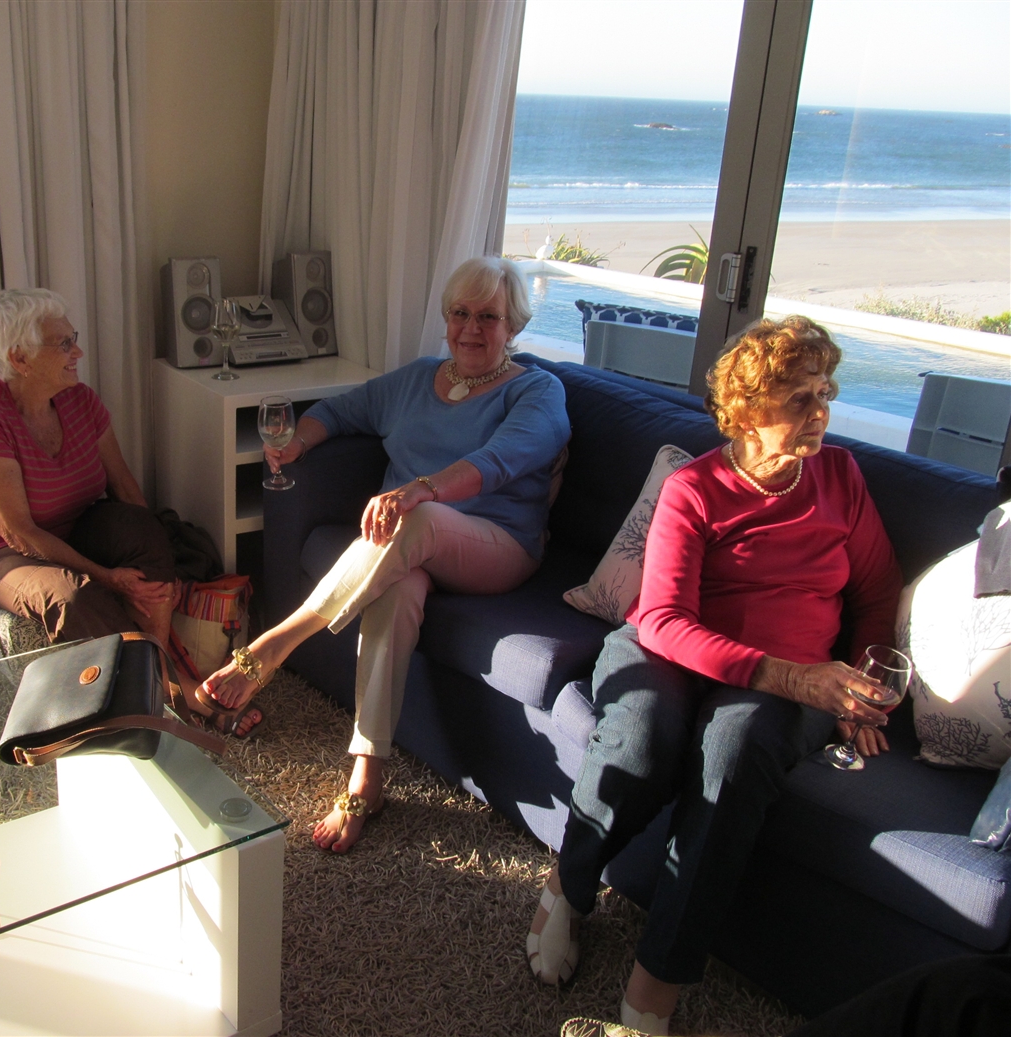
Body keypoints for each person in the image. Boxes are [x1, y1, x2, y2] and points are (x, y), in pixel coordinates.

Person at [524, 315, 904, 1035]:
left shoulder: (841, 477)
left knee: (733, 755)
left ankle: (656, 980)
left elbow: (878, 590)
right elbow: (666, 621)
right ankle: (568, 885)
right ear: (747, 411)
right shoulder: (695, 487)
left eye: (826, 393)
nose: (820, 412)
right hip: (672, 649)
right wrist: (796, 679)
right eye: (800, 398)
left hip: (781, 679)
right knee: (642, 737)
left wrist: (860, 685)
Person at [197, 256, 571, 852]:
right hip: (406, 550)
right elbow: (340, 410)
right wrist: (297, 445)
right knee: (393, 596)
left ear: (515, 326)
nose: (471, 328)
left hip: (494, 547)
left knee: (416, 518)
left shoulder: (537, 391)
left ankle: (274, 644)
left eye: (489, 317)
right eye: (460, 313)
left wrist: (422, 488)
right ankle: (366, 778)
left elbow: (500, 461)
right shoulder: (418, 380)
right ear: (445, 317)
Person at [0, 287, 262, 735]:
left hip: (77, 525)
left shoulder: (81, 401)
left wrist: (156, 558)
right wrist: (106, 576)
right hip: (1, 554)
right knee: (75, 597)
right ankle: (174, 688)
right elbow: (20, 534)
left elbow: (126, 489)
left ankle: (157, 671)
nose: (77, 352)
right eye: (63, 344)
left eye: (72, 338)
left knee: (141, 525)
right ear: (19, 358)